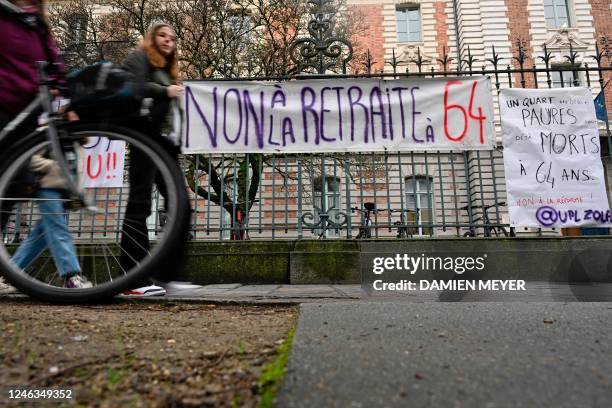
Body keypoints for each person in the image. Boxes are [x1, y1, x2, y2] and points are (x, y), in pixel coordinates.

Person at [0, 0, 76, 292]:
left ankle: (13, 272)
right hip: (6, 105)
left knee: (9, 189)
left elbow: (54, 63)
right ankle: (67, 273)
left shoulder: (36, 23)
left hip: (26, 115)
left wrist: (65, 93)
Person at [118, 22, 195, 297]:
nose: (168, 40)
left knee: (182, 207)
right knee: (140, 205)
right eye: (162, 35)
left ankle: (166, 275)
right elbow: (134, 87)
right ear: (152, 38)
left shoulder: (167, 70)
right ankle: (132, 278)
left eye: (173, 38)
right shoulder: (138, 58)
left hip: (166, 146)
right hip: (144, 140)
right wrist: (166, 92)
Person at [11, 150, 92, 288]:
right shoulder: (54, 134)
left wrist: (78, 192)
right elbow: (32, 158)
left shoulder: (75, 141)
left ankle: (10, 275)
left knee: (40, 235)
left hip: (62, 191)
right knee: (58, 229)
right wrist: (54, 167)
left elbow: (74, 171)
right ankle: (71, 276)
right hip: (47, 186)